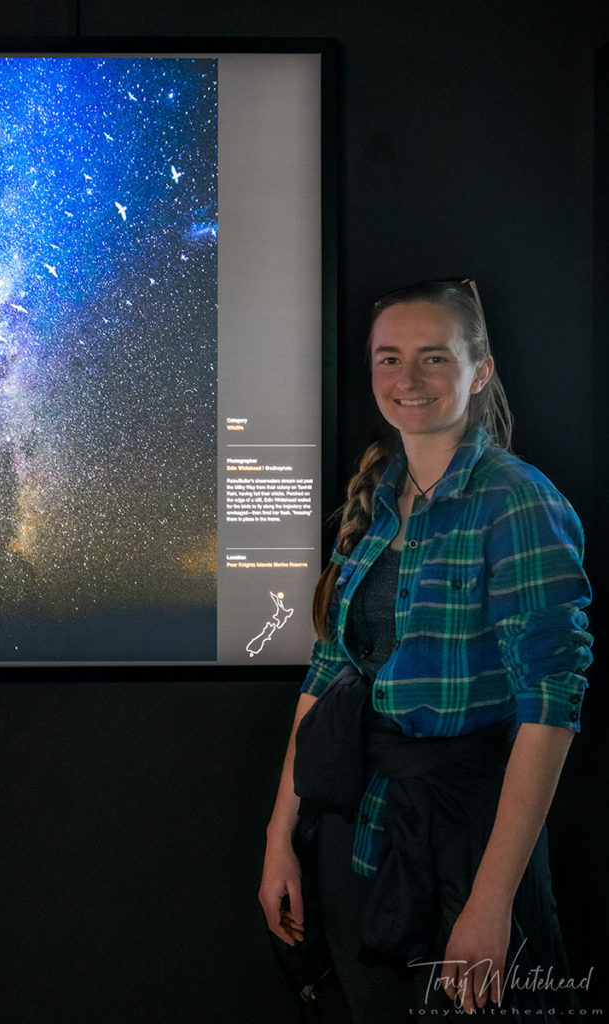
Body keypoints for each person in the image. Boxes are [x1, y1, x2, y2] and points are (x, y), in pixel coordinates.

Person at [258, 279, 593, 1020]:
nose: (405, 380)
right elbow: (328, 674)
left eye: (433, 358)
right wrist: (281, 835)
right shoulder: (378, 495)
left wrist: (490, 902)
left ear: (480, 372)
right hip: (356, 836)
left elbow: (551, 705)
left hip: (466, 844)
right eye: (388, 358)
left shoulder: (518, 502)